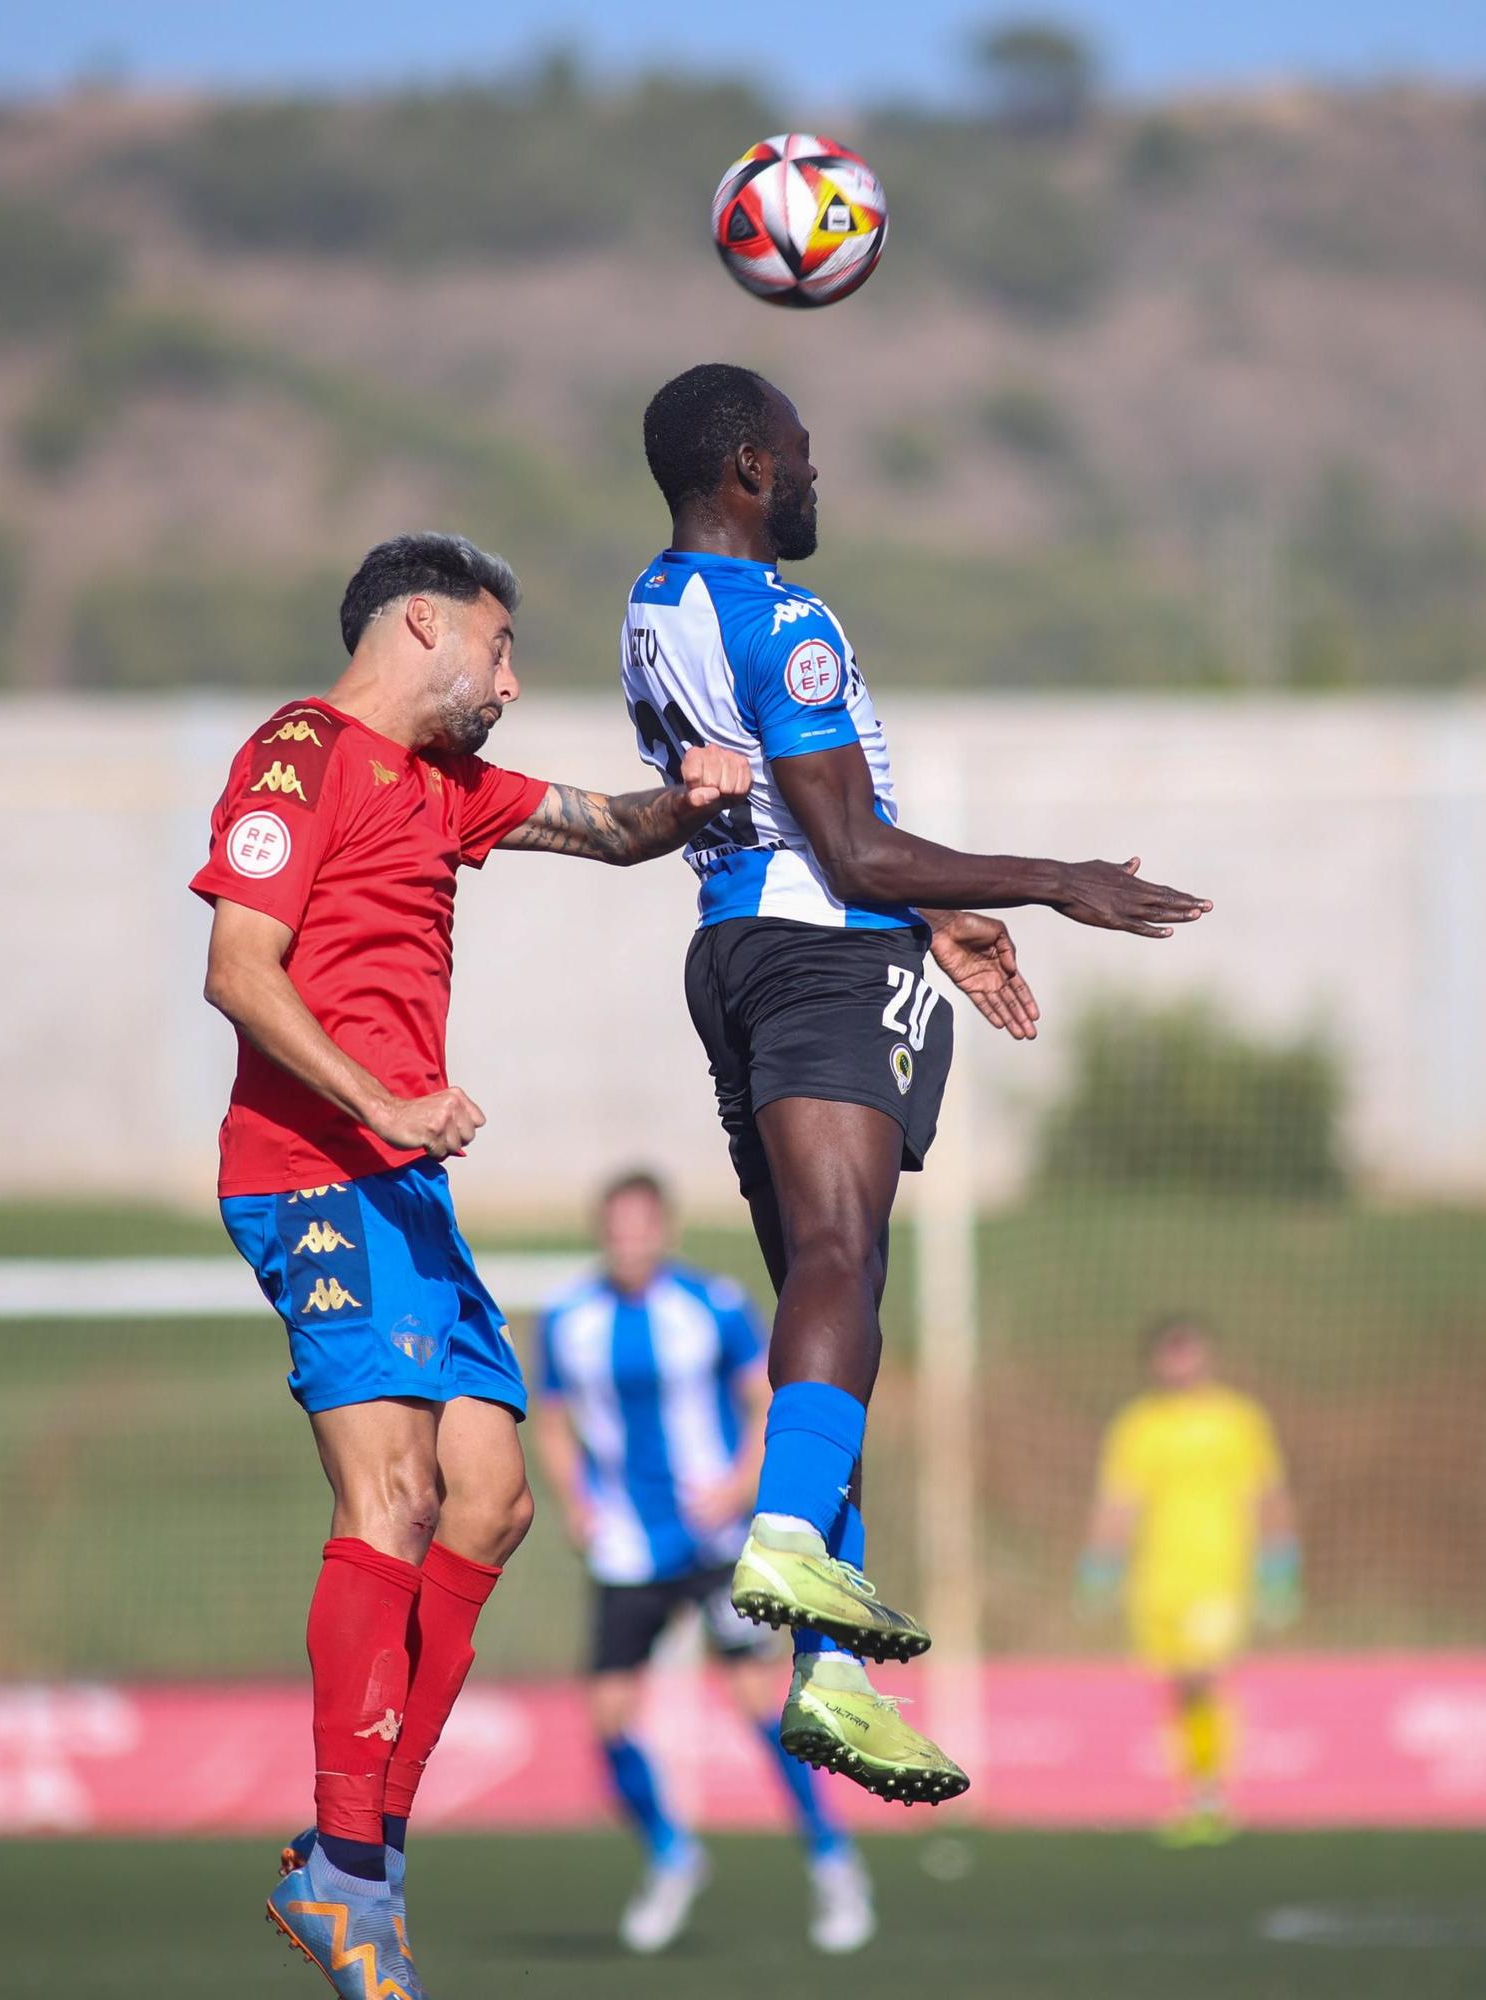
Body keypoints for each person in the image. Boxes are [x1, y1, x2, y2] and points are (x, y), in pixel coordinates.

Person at [621, 363, 1214, 1806]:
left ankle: (829, 1668)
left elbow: (787, 819)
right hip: (824, 959)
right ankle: (785, 1541)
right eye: (800, 453)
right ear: (749, 467)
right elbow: (847, 850)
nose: (814, 475)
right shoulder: (785, 621)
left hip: (732, 953)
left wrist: (933, 910)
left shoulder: (651, 604)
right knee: (842, 1260)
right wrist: (1053, 878)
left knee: (825, 1312)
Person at [191, 531, 751, 2000]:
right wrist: (380, 1102)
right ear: (423, 625)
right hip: (313, 1172)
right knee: (390, 1495)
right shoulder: (298, 754)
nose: (510, 680)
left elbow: (607, 827)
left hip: (401, 1183)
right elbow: (236, 969)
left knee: (491, 1503)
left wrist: (694, 793)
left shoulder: (446, 785)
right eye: (499, 649)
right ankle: (350, 1869)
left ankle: (352, 1857)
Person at [534, 1170, 874, 1957]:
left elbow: (764, 1399)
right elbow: (551, 1422)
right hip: (627, 1547)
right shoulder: (567, 1317)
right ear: (601, 1233)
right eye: (616, 1227)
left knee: (759, 1702)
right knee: (608, 1716)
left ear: (664, 1230)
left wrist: (737, 1485)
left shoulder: (711, 1306)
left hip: (714, 1543)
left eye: (641, 1226)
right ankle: (671, 1855)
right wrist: (576, 1503)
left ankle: (831, 1860)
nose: (629, 1241)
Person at [1078, 1315, 1301, 1844]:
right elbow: (1119, 1502)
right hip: (1157, 1578)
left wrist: (1280, 1565)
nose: (1180, 1364)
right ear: (1155, 1363)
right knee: (1180, 1684)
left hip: (1220, 1572)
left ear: (1207, 1357)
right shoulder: (1139, 1425)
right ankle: (1198, 1793)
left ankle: (1212, 1796)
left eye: (1189, 1352)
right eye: (1170, 1354)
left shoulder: (1238, 1420)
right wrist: (1099, 1568)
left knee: (1205, 1674)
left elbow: (1268, 1494)